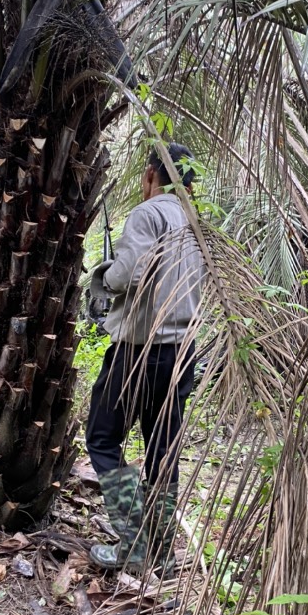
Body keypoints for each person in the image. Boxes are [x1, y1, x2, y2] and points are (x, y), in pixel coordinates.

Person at [85, 143, 205, 573]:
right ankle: (162, 551)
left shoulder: (149, 213)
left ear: (152, 175)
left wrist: (103, 275)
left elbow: (129, 273)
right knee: (163, 450)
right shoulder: (195, 221)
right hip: (182, 352)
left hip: (138, 352)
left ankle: (134, 542)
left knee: (101, 436)